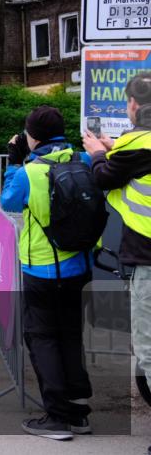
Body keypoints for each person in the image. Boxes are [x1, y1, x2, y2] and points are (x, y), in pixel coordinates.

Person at [0, 105, 96, 441]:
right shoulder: (82, 160)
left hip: (42, 267)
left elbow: (8, 202)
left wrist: (14, 162)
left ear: (33, 136)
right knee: (70, 335)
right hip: (80, 265)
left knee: (42, 337)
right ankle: (79, 412)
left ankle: (57, 417)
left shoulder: (30, 171)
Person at [82, 71, 151, 447]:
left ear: (136, 106)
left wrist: (97, 152)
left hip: (149, 263)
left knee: (150, 350)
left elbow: (105, 177)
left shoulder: (135, 144)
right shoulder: (135, 148)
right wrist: (113, 149)